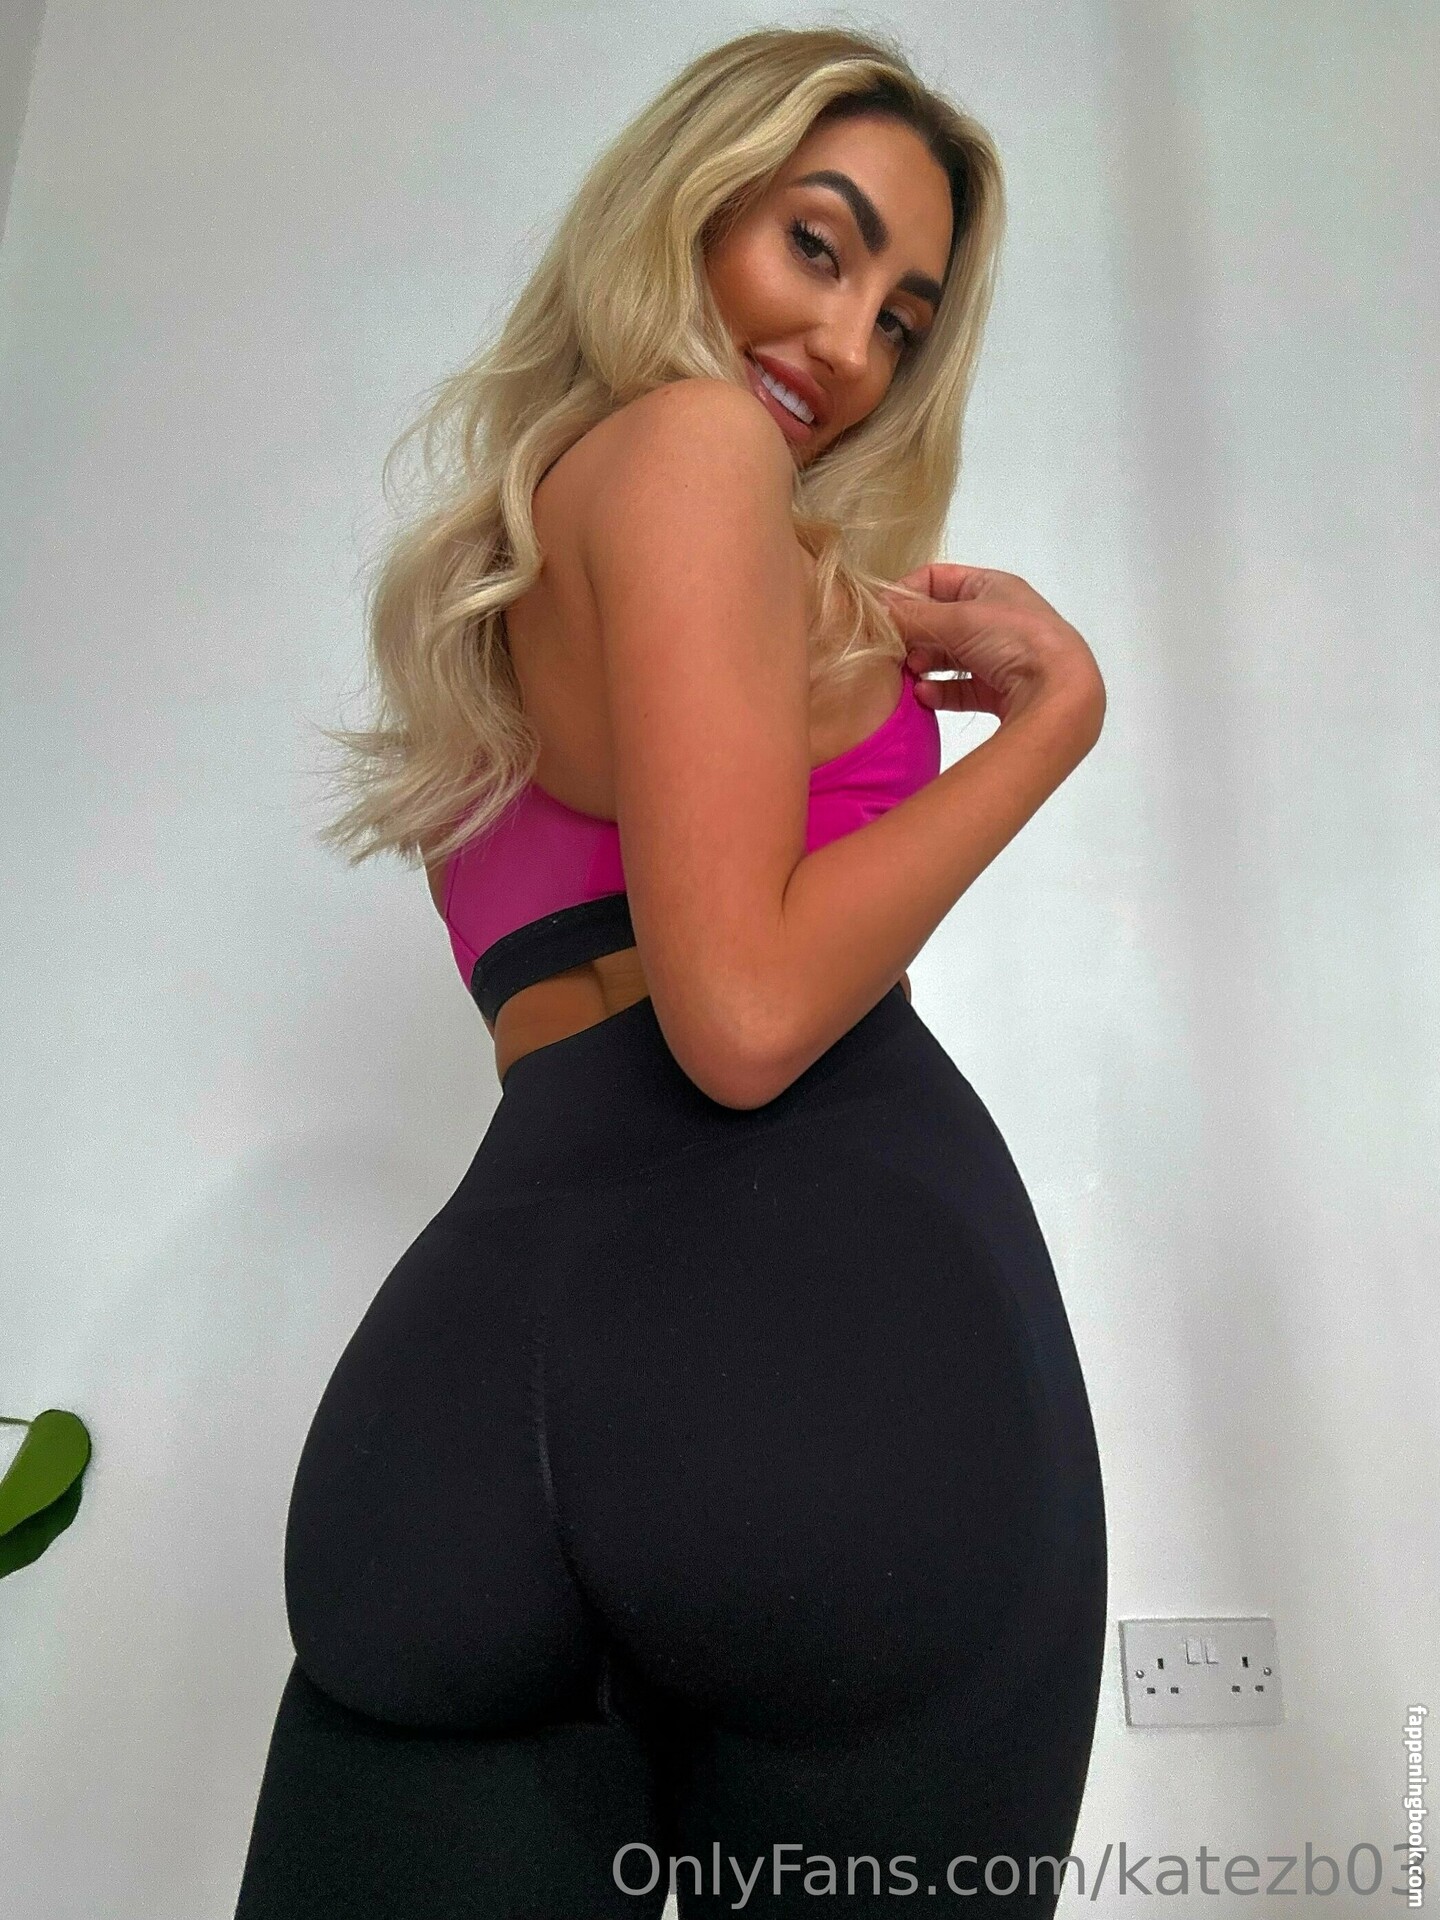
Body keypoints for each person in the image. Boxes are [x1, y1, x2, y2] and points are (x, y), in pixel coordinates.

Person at [233, 24, 1109, 1918]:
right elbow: (745, 1020)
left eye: (903, 318)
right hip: (826, 1329)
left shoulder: (498, 586)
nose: (850, 341)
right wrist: (1053, 724)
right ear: (689, 206)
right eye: (819, 242)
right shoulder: (701, 451)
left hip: (477, 1383)